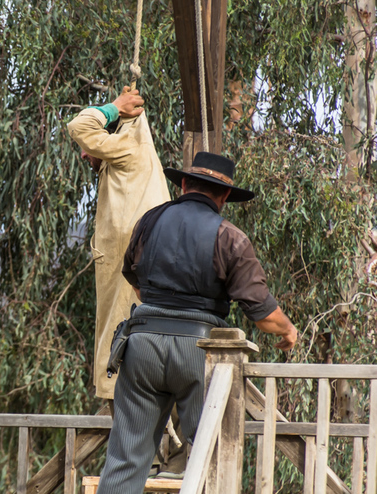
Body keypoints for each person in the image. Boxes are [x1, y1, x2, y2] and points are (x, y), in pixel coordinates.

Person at [96, 152, 298, 493]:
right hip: (201, 352)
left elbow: (134, 278)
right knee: (214, 453)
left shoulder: (149, 221)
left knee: (126, 458)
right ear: (223, 197)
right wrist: (288, 330)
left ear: (185, 184)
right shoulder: (230, 237)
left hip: (142, 344)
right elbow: (263, 316)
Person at [67, 87, 171, 400]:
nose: (85, 154)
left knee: (123, 336)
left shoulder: (129, 146)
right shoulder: (125, 160)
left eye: (90, 147)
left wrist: (114, 108)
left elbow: (78, 127)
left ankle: (119, 389)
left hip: (133, 272)